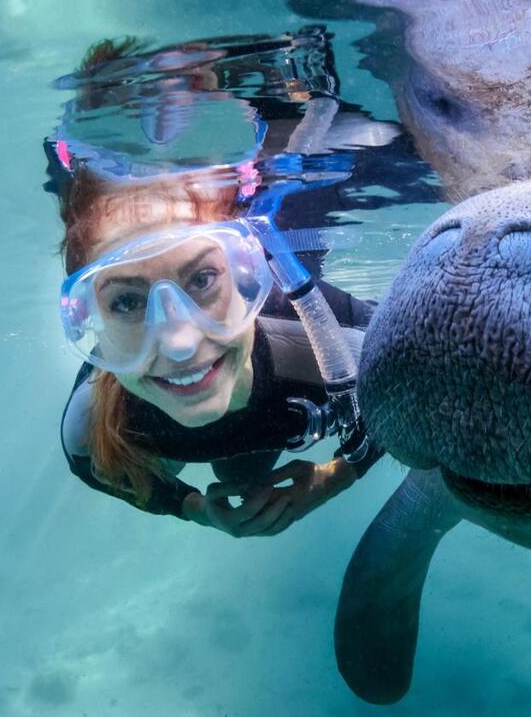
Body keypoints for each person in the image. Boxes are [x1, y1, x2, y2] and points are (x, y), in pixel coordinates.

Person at [50, 33, 388, 537]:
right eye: (125, 300)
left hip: (268, 423)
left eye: (204, 278)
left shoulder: (330, 340)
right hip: (251, 427)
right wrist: (190, 506)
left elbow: (404, 387)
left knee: (245, 472)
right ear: (89, 318)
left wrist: (333, 479)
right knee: (223, 467)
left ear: (249, 271)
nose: (181, 343)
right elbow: (96, 468)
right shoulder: (92, 423)